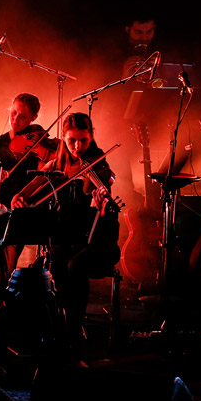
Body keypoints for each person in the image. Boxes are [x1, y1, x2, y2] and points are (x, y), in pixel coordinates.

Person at [11, 113, 120, 352]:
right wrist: (20, 196)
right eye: (72, 141)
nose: (78, 147)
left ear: (91, 137)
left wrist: (99, 200)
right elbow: (38, 181)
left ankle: (73, 328)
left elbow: (102, 184)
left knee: (74, 266)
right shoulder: (59, 162)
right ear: (63, 138)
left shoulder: (97, 162)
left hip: (95, 240)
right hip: (67, 235)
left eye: (83, 140)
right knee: (58, 265)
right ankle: (63, 327)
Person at [0, 93, 57, 315]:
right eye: (13, 112)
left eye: (22, 116)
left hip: (22, 208)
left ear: (33, 118)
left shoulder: (39, 142)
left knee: (6, 239)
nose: (15, 119)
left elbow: (46, 172)